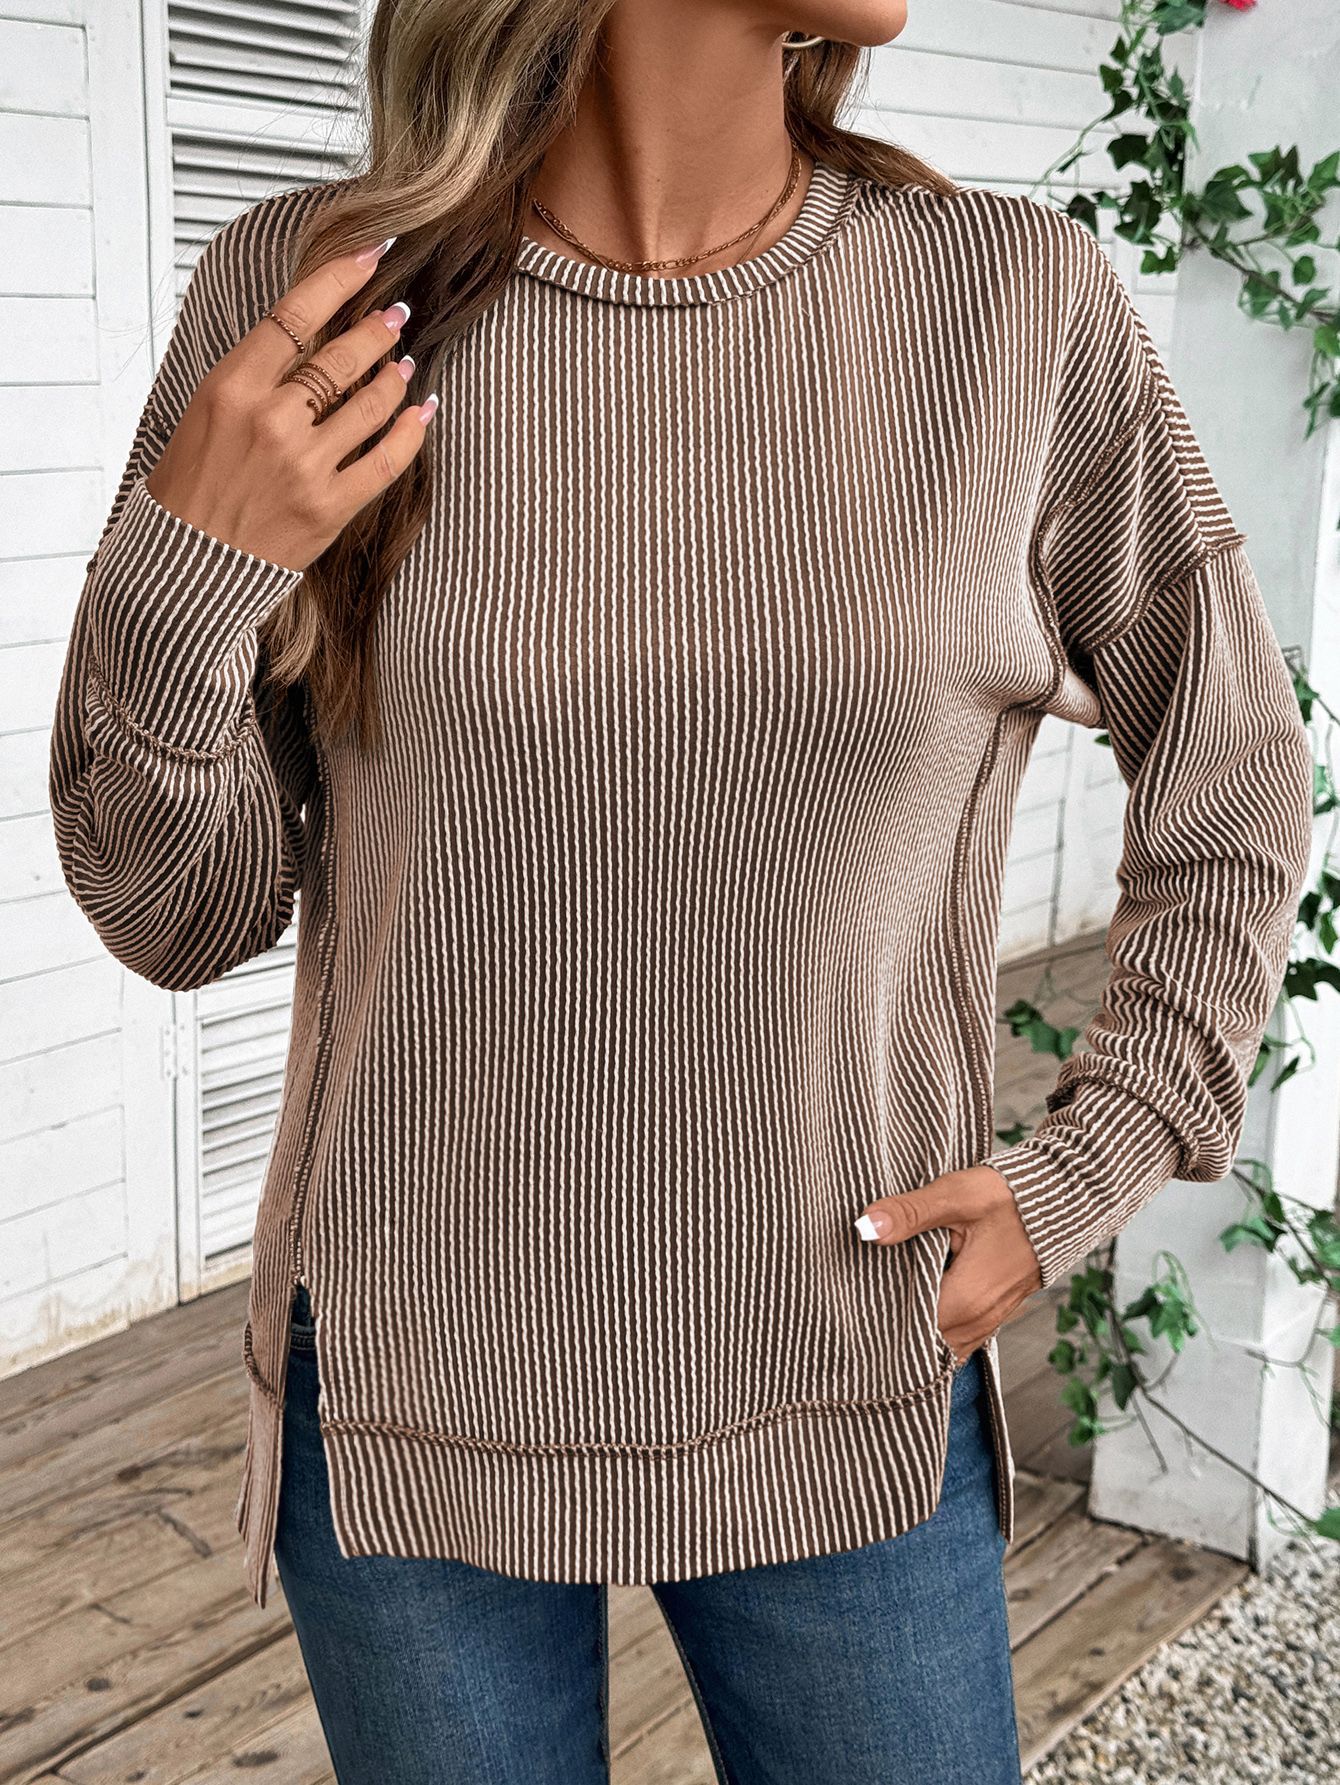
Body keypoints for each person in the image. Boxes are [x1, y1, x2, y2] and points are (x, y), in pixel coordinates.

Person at [48, 2, 1315, 1781]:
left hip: (843, 1365)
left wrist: (1098, 1154)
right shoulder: (322, 297)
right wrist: (183, 575)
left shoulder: (1010, 307)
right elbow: (179, 913)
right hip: (413, 1391)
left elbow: (1236, 763)